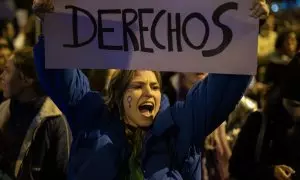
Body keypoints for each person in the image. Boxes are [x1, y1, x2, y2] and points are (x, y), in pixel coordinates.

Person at [32, 0, 269, 179]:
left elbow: (220, 91)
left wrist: (244, 35)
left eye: (155, 86)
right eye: (137, 86)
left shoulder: (181, 126)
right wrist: (52, 28)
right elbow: (60, 77)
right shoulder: (92, 116)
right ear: (119, 95)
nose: (149, 92)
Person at [0, 47, 72, 180]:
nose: (1, 76)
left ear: (26, 80)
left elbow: (62, 171)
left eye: (7, 71)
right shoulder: (4, 109)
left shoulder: (55, 120)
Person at [229, 52, 300, 180]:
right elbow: (237, 167)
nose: (297, 113)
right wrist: (270, 172)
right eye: (293, 105)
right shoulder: (259, 122)